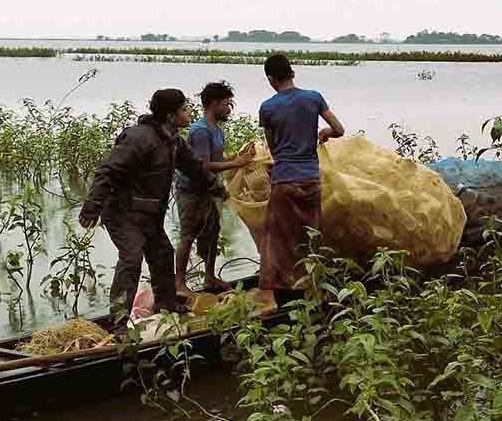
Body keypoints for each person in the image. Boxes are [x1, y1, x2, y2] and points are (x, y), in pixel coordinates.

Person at [79, 88, 227, 321]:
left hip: (149, 215)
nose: (188, 113)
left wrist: (216, 187)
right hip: (122, 214)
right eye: (184, 109)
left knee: (163, 255)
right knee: (131, 259)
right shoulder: (139, 138)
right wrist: (92, 207)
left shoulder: (173, 141)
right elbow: (108, 172)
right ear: (171, 115)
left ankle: (166, 308)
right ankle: (118, 322)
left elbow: (194, 167)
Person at [256, 54, 344, 314]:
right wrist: (324, 133)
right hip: (310, 179)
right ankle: (312, 290)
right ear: (292, 73)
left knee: (274, 238)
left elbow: (273, 149)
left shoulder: (268, 107)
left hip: (284, 179)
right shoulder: (314, 98)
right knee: (310, 236)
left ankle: (270, 297)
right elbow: (338, 129)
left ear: (271, 79)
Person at [174, 81, 255, 298]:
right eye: (227, 104)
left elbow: (217, 160)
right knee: (188, 235)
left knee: (212, 232)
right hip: (191, 191)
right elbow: (204, 165)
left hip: (209, 190)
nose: (229, 109)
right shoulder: (200, 130)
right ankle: (179, 284)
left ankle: (209, 276)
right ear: (214, 104)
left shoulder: (216, 130)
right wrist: (238, 163)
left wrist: (238, 158)